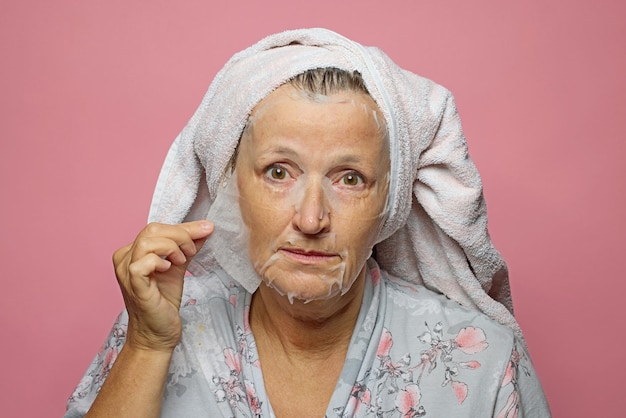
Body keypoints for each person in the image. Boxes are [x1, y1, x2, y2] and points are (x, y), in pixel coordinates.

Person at [65, 28, 551, 417]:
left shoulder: (481, 360)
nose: (312, 218)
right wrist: (148, 347)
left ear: (389, 200)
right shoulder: (158, 327)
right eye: (279, 172)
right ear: (231, 186)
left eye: (351, 178)